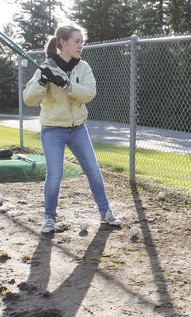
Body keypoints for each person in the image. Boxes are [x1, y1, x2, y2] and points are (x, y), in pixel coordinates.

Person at [23, 23, 122, 234]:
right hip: (52, 130)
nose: (80, 46)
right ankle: (49, 219)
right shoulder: (46, 68)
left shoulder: (83, 67)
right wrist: (42, 81)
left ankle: (105, 212)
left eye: (81, 42)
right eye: (76, 42)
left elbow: (89, 94)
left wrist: (68, 85)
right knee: (55, 174)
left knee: (94, 171)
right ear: (63, 43)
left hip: (78, 129)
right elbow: (29, 99)